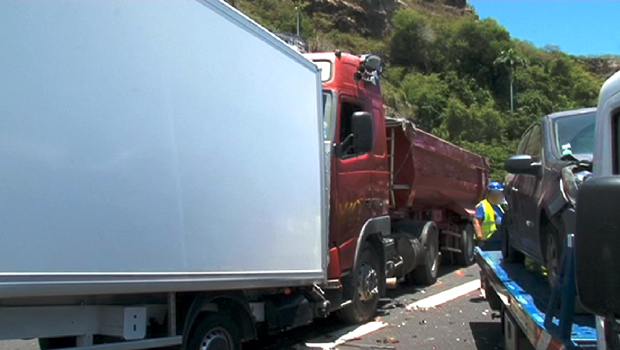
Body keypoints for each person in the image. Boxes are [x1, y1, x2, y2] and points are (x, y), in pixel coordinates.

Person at [473, 181, 505, 250]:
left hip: (500, 240)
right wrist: (479, 238)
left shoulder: (500, 205)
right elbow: (476, 222)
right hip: (487, 241)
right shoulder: (482, 206)